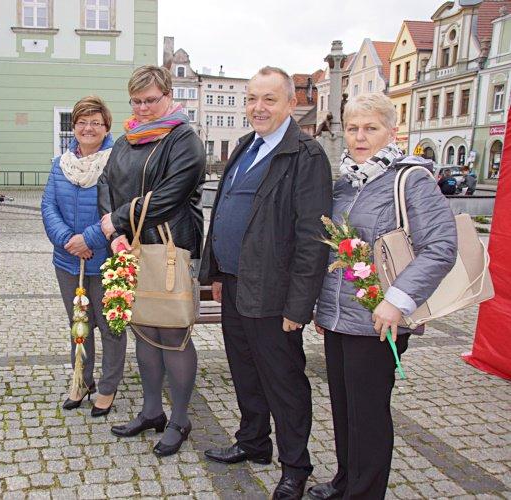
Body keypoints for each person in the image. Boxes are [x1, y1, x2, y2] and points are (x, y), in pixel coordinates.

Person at [310, 93, 457, 499]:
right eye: (353, 128)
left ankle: (364, 492)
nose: (360, 137)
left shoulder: (410, 179)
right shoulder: (346, 182)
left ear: (392, 131)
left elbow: (441, 246)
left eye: (370, 128)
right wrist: (326, 309)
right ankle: (345, 480)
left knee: (369, 414)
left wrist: (398, 300)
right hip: (341, 318)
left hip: (380, 318)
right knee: (344, 408)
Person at [199, 66, 332, 500]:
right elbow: (222, 212)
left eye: (269, 99)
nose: (258, 107)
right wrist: (216, 272)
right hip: (236, 284)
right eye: (253, 98)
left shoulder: (305, 156)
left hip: (274, 294)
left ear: (291, 104)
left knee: (284, 381)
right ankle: (253, 441)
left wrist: (299, 306)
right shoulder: (245, 145)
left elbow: (314, 237)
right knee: (244, 371)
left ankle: (295, 466)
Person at [99, 65, 205, 457]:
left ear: (168, 96)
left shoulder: (184, 139)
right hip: (132, 246)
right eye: (137, 101)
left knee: (172, 333)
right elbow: (106, 186)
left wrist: (118, 219)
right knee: (144, 330)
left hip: (170, 244)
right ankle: (150, 411)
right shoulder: (127, 140)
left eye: (151, 100)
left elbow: (170, 196)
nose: (143, 108)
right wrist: (116, 233)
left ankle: (180, 419)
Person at [41, 96, 127, 417]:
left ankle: (108, 385)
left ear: (106, 126)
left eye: (95, 122)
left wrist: (88, 239)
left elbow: (120, 210)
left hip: (105, 260)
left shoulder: (117, 162)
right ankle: (82, 379)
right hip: (67, 261)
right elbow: (48, 207)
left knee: (110, 326)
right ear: (73, 126)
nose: (88, 128)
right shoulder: (60, 164)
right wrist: (68, 240)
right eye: (81, 122)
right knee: (79, 324)